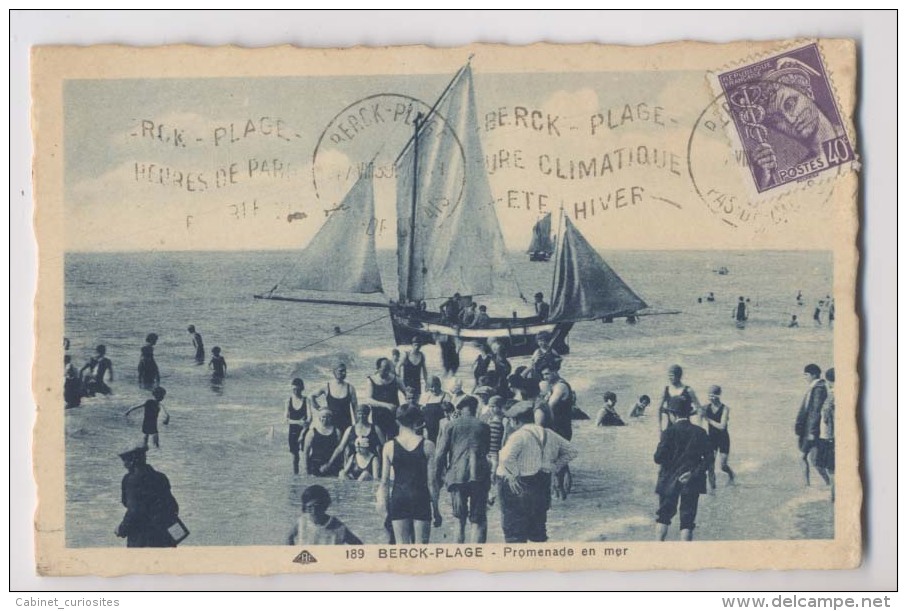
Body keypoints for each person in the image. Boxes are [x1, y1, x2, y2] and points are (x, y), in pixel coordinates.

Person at [747, 57, 848, 190]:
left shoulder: (852, 138)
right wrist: (766, 180)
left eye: (790, 104)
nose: (790, 120)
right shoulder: (798, 173)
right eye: (777, 120)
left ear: (808, 93)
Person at [496, 400, 577, 543]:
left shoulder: (518, 435)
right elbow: (571, 452)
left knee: (514, 532)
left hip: (519, 484)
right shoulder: (549, 433)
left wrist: (513, 475)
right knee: (537, 531)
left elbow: (505, 457)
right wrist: (555, 466)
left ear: (515, 420)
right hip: (541, 482)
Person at [432, 395, 491, 544]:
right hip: (479, 476)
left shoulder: (450, 426)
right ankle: (477, 557)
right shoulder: (484, 426)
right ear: (475, 408)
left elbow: (439, 455)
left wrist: (438, 477)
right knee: (478, 521)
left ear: (460, 409)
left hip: (457, 476)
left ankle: (460, 556)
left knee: (459, 520)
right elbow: (486, 452)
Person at [654, 393, 713, 542]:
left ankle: (656, 550)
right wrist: (692, 474)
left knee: (663, 517)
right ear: (688, 413)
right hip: (691, 480)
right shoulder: (700, 432)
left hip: (669, 481)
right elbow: (709, 459)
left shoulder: (668, 432)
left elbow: (658, 458)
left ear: (673, 414)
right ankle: (685, 557)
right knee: (687, 522)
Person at [378, 406, 440, 544]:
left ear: (398, 422)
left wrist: (386, 509)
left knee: (402, 549)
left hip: (399, 498)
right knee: (422, 549)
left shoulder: (389, 446)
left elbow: (384, 482)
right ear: (417, 421)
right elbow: (432, 482)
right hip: (420, 497)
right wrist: (436, 510)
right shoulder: (428, 445)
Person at [115, 446, 181, 547]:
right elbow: (173, 506)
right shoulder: (161, 477)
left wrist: (122, 529)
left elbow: (134, 511)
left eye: (125, 460)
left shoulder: (131, 480)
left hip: (143, 539)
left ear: (132, 461)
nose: (124, 464)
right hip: (165, 537)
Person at [539, 365, 575, 498]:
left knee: (559, 461)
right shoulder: (555, 386)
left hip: (561, 428)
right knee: (561, 461)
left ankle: (560, 492)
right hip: (560, 427)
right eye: (543, 375)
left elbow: (550, 406)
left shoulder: (560, 386)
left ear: (555, 372)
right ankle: (562, 493)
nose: (545, 377)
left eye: (547, 374)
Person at [287, 485, 362, 545]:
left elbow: (359, 545)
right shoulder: (302, 522)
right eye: (309, 507)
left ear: (325, 505)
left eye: (316, 506)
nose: (313, 511)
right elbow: (289, 538)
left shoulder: (338, 527)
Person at [795, 363, 830, 487]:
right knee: (814, 461)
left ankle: (808, 486)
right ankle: (828, 484)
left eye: (806, 375)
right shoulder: (817, 387)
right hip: (812, 429)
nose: (805, 377)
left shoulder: (818, 389)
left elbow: (815, 411)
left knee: (805, 458)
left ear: (813, 374)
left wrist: (811, 432)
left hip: (812, 431)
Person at [327, 403, 385, 474]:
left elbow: (385, 447)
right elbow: (340, 448)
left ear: (368, 415)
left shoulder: (376, 429)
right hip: (354, 462)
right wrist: (329, 463)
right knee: (342, 474)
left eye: (364, 414)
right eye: (359, 413)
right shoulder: (350, 429)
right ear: (356, 414)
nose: (362, 416)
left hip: (371, 463)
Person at [702, 385, 736, 489]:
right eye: (709, 395)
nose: (711, 398)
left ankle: (731, 475)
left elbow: (722, 426)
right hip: (711, 439)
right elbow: (692, 412)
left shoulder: (725, 409)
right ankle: (713, 489)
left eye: (713, 395)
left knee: (723, 466)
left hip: (723, 439)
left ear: (719, 395)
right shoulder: (705, 407)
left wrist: (707, 419)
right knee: (710, 466)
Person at [311, 362, 358, 434]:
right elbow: (312, 396)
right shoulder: (327, 387)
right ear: (334, 372)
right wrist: (319, 409)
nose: (344, 373)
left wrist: (357, 425)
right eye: (341, 371)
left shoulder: (350, 388)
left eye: (345, 371)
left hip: (346, 423)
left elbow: (355, 408)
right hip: (331, 424)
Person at [364, 358, 404, 439]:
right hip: (378, 416)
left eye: (388, 369)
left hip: (393, 417)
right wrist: (386, 405)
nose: (387, 372)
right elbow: (368, 400)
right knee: (380, 442)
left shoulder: (396, 379)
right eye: (384, 369)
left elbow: (406, 393)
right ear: (378, 369)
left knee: (393, 441)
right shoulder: (371, 380)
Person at [658, 364, 703, 432]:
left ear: (678, 376)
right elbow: (659, 409)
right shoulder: (666, 390)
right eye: (669, 376)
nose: (670, 378)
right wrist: (660, 429)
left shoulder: (688, 390)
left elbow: (699, 409)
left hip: (686, 427)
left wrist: (699, 427)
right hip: (671, 427)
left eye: (672, 376)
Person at [302, 409, 342, 477]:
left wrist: (329, 464)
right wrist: (306, 469)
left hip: (331, 463)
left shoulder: (337, 432)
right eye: (323, 417)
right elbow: (306, 452)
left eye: (328, 417)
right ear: (319, 418)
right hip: (315, 464)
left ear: (331, 418)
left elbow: (339, 451)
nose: (325, 419)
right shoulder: (312, 432)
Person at [816, 368, 836, 501]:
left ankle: (833, 496)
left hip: (830, 437)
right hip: (831, 437)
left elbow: (827, 417)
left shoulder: (833, 395)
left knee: (832, 469)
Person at [286, 378, 311, 475]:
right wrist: (298, 422)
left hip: (305, 430)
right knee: (294, 458)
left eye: (298, 389)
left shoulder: (306, 400)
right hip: (292, 431)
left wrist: (303, 431)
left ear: (302, 388)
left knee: (306, 456)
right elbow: (286, 420)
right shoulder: (288, 401)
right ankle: (295, 477)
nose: (296, 391)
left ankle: (307, 476)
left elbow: (309, 419)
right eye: (294, 389)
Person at [421, 376, 450, 444]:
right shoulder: (425, 396)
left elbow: (448, 413)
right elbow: (421, 411)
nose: (433, 389)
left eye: (435, 386)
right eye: (431, 387)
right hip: (428, 427)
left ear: (439, 385)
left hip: (440, 427)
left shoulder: (445, 396)